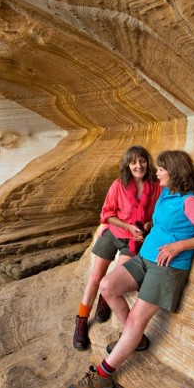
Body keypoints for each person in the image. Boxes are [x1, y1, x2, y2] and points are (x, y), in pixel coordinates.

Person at [68, 150, 194, 388]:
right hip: (145, 259)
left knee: (134, 322)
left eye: (161, 168)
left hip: (167, 268)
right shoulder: (166, 193)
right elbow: (159, 222)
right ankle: (135, 338)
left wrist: (179, 245)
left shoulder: (191, 203)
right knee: (107, 286)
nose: (157, 172)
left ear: (174, 172)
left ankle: (104, 375)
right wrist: (149, 228)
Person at [73, 146, 160, 351]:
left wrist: (146, 227)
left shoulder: (157, 187)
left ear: (148, 162)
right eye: (133, 162)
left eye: (142, 161)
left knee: (116, 278)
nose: (138, 166)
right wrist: (127, 225)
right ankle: (82, 320)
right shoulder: (119, 185)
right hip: (114, 233)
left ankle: (105, 299)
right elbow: (107, 214)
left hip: (134, 239)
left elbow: (156, 216)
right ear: (127, 165)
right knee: (95, 278)